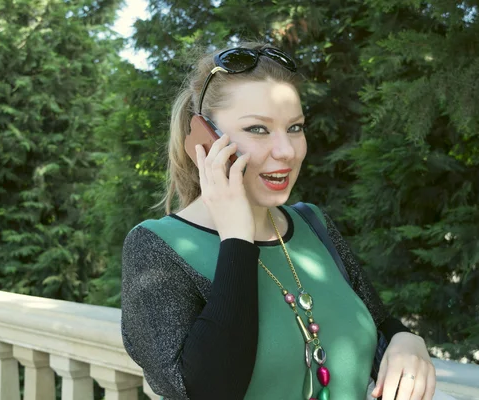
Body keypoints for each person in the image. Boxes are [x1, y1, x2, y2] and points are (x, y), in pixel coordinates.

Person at [121, 42, 437, 400]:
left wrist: (407, 341)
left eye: (295, 128)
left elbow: (379, 324)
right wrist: (237, 238)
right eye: (258, 129)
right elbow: (209, 390)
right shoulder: (156, 247)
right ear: (204, 139)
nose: (286, 151)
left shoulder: (312, 223)